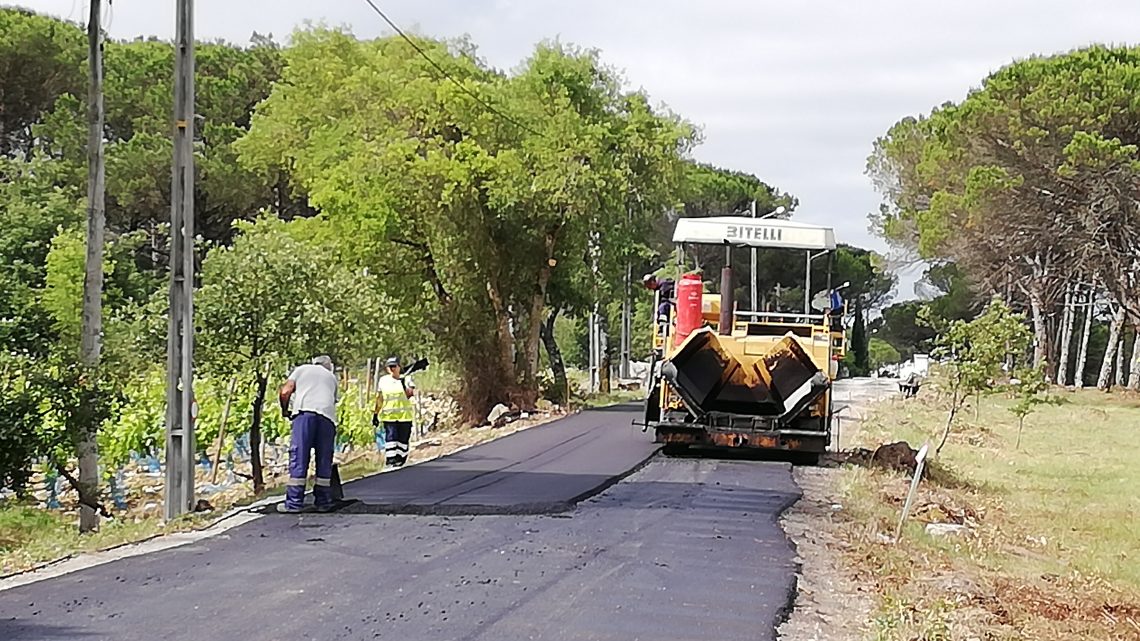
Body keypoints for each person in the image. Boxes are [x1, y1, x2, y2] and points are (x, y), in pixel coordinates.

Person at [277, 355, 339, 513]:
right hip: (327, 418)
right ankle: (324, 502)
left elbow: (285, 392)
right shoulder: (332, 377)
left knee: (300, 456)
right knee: (324, 458)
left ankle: (294, 503)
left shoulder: (301, 370)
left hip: (305, 415)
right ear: (328, 366)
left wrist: (285, 410)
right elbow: (332, 400)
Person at [372, 356, 416, 468]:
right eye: (389, 367)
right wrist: (375, 414)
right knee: (391, 437)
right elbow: (380, 398)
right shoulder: (383, 381)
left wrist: (402, 384)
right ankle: (391, 460)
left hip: (404, 416)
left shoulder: (406, 379)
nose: (392, 369)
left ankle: (401, 459)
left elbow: (410, 394)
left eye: (394, 366)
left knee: (403, 440)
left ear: (398, 367)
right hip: (389, 416)